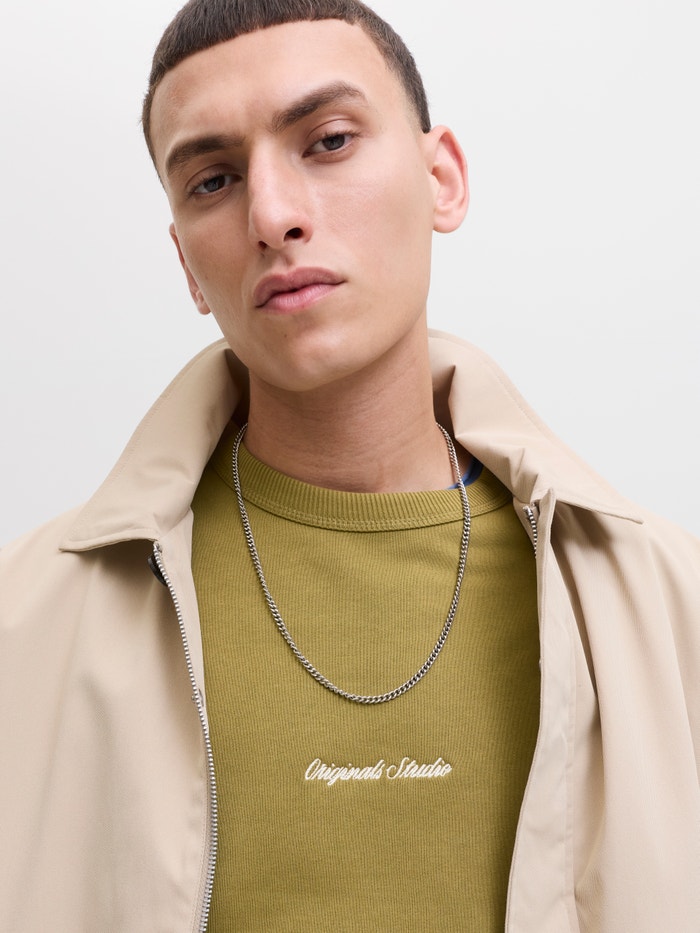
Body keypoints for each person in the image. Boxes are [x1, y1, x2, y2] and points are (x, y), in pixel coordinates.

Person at [1, 0, 698, 931]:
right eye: (213, 180)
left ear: (441, 178)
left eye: (328, 141)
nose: (272, 215)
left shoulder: (663, 604)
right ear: (186, 264)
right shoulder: (26, 626)